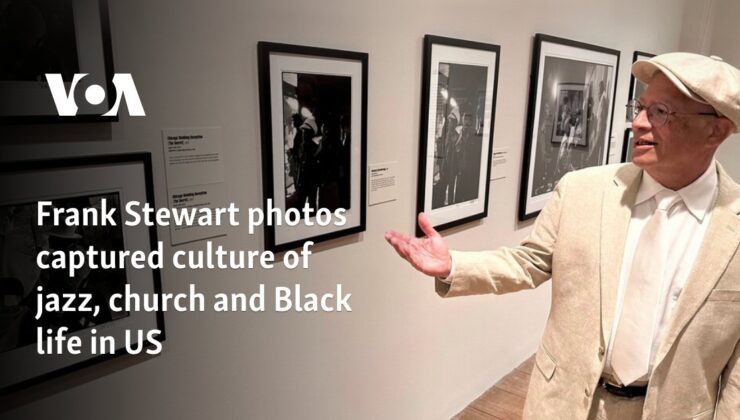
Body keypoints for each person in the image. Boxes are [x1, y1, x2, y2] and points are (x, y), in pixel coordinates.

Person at [385, 52, 740, 419]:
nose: (637, 123)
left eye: (661, 113)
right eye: (640, 107)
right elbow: (531, 261)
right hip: (567, 404)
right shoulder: (582, 191)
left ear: (717, 129)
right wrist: (453, 265)